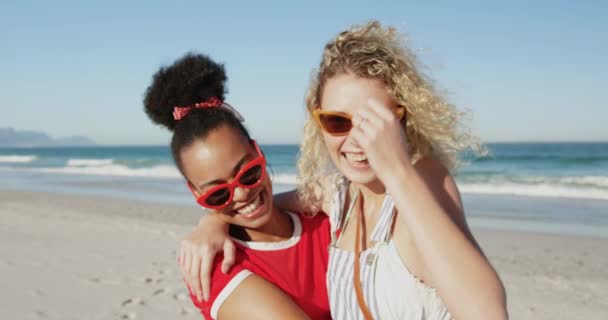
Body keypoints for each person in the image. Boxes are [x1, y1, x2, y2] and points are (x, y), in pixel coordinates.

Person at [182, 21, 508, 319]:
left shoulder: (424, 181)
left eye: (373, 122)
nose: (356, 140)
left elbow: (487, 313)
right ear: (319, 122)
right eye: (338, 121)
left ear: (404, 118)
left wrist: (395, 168)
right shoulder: (338, 196)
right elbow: (257, 203)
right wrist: (212, 222)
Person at [143, 53, 332, 320]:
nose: (242, 193)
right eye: (218, 193)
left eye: (248, 173)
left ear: (258, 151)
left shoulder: (325, 215)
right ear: (196, 194)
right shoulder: (214, 265)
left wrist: (214, 220)